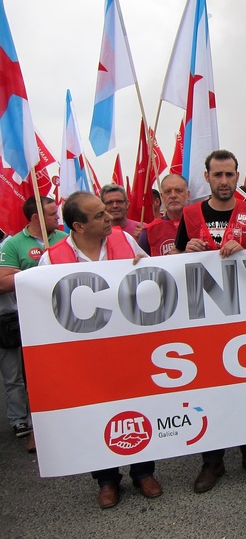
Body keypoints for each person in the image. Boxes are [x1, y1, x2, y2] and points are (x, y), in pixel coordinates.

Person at [38, 191, 161, 509]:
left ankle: (143, 471)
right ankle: (106, 480)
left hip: (129, 348)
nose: (109, 218)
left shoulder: (124, 240)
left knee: (138, 407)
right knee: (96, 415)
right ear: (78, 226)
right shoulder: (51, 259)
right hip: (86, 357)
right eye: (99, 216)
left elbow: (154, 283)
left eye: (107, 212)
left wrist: (143, 269)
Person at [173, 149, 246, 493]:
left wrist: (245, 252)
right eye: (217, 175)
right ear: (207, 177)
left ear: (236, 176)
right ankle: (212, 462)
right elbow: (176, 260)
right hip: (205, 320)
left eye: (230, 175)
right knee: (210, 389)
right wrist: (185, 252)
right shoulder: (190, 214)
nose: (224, 181)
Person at [0, 196, 67, 451]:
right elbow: (2, 281)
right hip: (29, 322)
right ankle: (31, 426)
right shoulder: (13, 244)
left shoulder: (64, 238)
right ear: (37, 217)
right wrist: (36, 275)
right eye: (52, 215)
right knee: (30, 376)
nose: (57, 219)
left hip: (62, 320)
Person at [138, 174, 190, 256]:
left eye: (179, 191)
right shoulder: (148, 232)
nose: (173, 196)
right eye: (168, 192)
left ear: (188, 195)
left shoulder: (202, 224)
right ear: (162, 197)